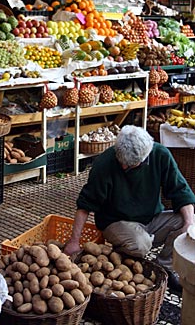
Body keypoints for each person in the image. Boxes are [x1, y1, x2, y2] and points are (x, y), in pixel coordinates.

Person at [64, 125, 195, 293]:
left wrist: (188, 224)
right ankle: (126, 253)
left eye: (131, 165)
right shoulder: (104, 163)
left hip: (151, 218)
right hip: (116, 222)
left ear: (145, 157)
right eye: (122, 163)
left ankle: (164, 267)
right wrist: (74, 242)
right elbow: (85, 205)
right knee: (141, 245)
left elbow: (181, 191)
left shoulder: (160, 155)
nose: (125, 167)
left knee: (190, 222)